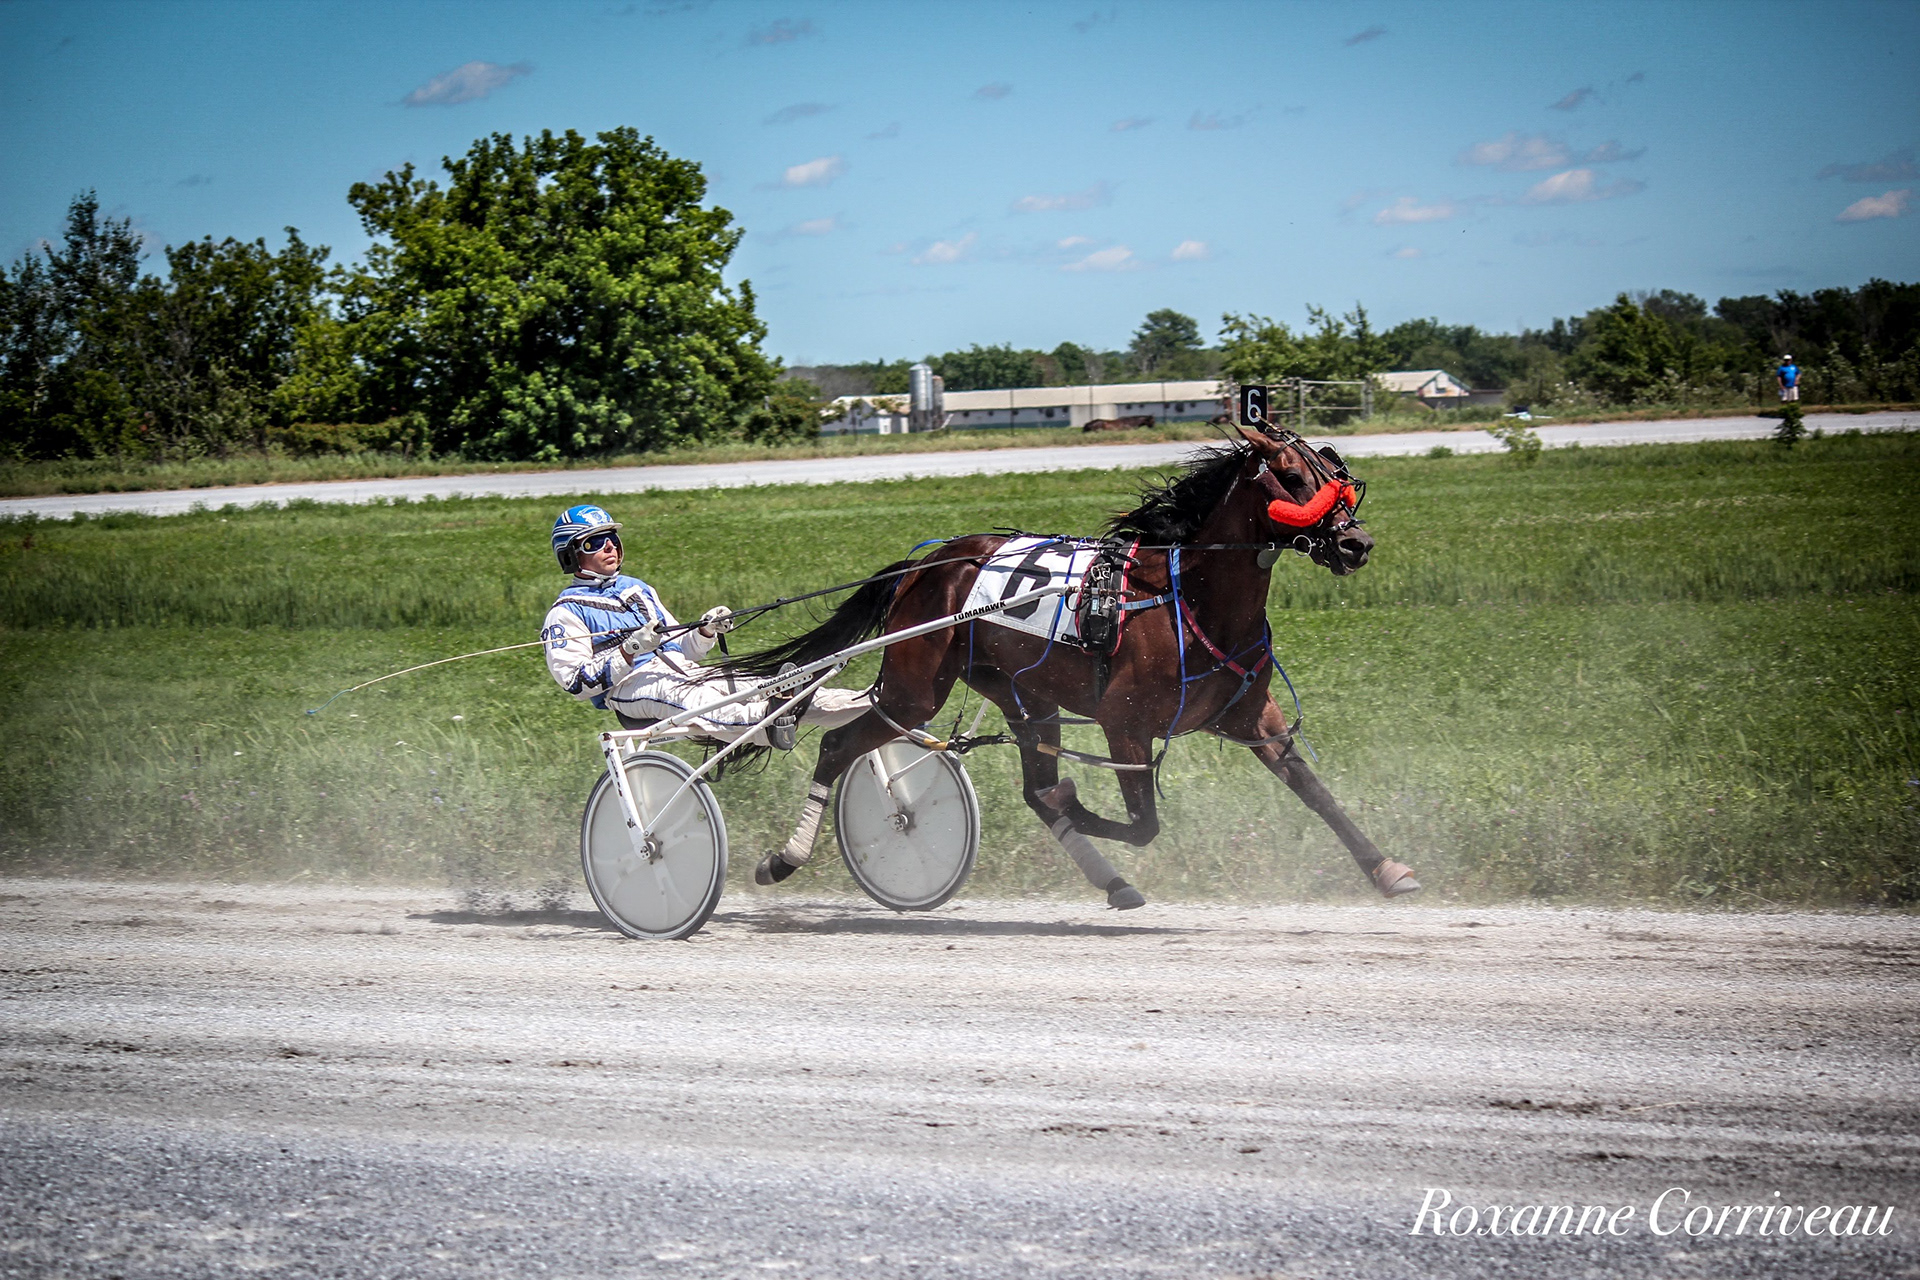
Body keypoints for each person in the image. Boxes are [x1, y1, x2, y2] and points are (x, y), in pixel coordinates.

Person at [541, 504, 870, 748]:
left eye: (610, 537)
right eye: (593, 543)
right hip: (632, 689)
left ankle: (871, 707)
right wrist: (629, 652)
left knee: (760, 682)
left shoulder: (636, 588)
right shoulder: (566, 612)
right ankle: (768, 721)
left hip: (682, 669)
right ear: (571, 556)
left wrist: (705, 630)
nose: (609, 546)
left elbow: (680, 648)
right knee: (696, 700)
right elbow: (574, 682)